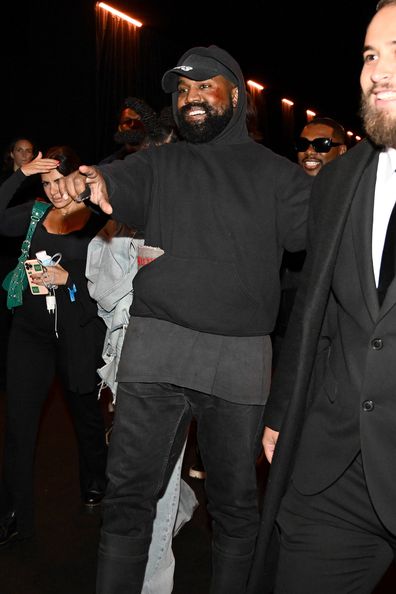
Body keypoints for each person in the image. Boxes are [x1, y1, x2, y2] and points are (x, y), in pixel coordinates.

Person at [59, 44, 311, 594]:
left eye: (205, 85)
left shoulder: (279, 177)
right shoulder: (158, 162)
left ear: (236, 95)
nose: (191, 96)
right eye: (183, 89)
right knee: (127, 499)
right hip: (156, 346)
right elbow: (116, 180)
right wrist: (92, 183)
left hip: (239, 357)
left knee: (235, 507)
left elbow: (317, 241)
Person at [248, 2, 396, 593]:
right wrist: (283, 413)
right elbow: (319, 313)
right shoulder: (341, 180)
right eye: (370, 55)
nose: (376, 72)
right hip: (335, 476)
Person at [0, 146, 108, 546]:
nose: (55, 191)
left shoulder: (99, 219)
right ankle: (12, 512)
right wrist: (20, 174)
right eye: (46, 184)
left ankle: (96, 481)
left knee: (85, 415)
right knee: (19, 426)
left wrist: (71, 282)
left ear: (79, 177)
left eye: (60, 181)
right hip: (30, 333)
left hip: (76, 335)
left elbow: (113, 287)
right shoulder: (33, 214)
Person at [272, 117, 348, 364]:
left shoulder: (355, 198)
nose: (310, 151)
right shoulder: (283, 191)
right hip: (289, 313)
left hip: (337, 317)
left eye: (322, 144)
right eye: (303, 144)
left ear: (342, 150)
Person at [99, 96, 160, 164]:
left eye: (138, 120)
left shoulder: (159, 157)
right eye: (128, 121)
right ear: (120, 128)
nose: (133, 125)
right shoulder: (109, 164)